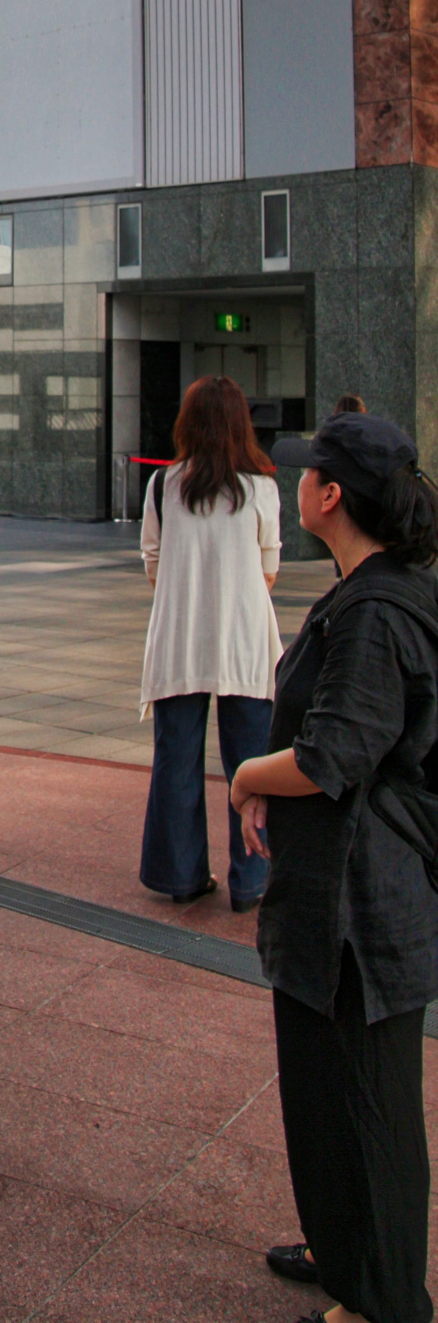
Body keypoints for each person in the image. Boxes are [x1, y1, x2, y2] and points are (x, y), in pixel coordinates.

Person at [231, 413, 438, 1323]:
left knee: (365, 1103)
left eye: (310, 471)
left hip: (365, 898)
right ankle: (343, 1245)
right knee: (329, 1089)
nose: (297, 481)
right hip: (347, 891)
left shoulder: (377, 610)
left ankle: (385, 1297)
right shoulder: (379, 588)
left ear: (332, 498)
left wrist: (243, 773)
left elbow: (332, 755)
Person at [138, 375, 281, 911]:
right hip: (245, 642)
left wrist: (189, 594)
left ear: (187, 423)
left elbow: (153, 564)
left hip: (180, 641)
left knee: (176, 760)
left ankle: (181, 877)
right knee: (253, 763)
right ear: (241, 425)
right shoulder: (261, 487)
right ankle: (252, 881)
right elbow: (270, 569)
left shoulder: (163, 486)